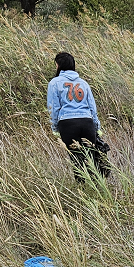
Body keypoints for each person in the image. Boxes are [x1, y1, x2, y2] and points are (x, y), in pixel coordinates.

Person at [47, 51, 109, 181]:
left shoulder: (54, 83)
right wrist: (97, 127)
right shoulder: (83, 83)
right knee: (91, 160)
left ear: (59, 65)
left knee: (77, 159)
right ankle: (97, 187)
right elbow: (92, 108)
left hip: (67, 124)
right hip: (87, 123)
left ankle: (82, 187)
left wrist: (55, 128)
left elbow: (53, 108)